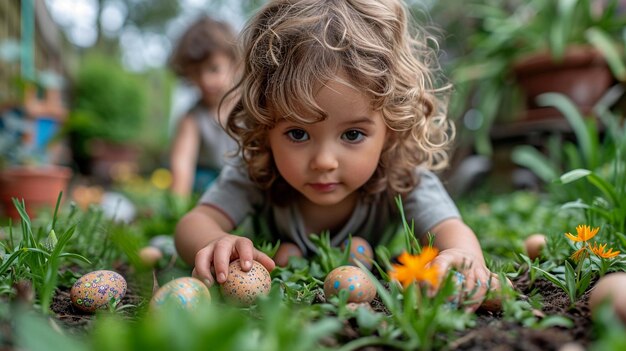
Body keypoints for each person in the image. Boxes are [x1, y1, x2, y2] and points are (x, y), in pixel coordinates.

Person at [175, 0, 500, 309]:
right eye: (298, 134)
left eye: (353, 134)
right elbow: (195, 223)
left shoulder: (402, 176)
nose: (324, 161)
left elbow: (451, 229)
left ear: (392, 127)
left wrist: (462, 255)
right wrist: (215, 241)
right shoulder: (259, 169)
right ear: (265, 128)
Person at [168, 16, 239, 197]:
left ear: (235, 64)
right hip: (209, 186)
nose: (205, 80)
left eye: (214, 69)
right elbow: (182, 165)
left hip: (245, 180)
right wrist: (178, 206)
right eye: (196, 72)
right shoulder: (193, 117)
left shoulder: (250, 107)